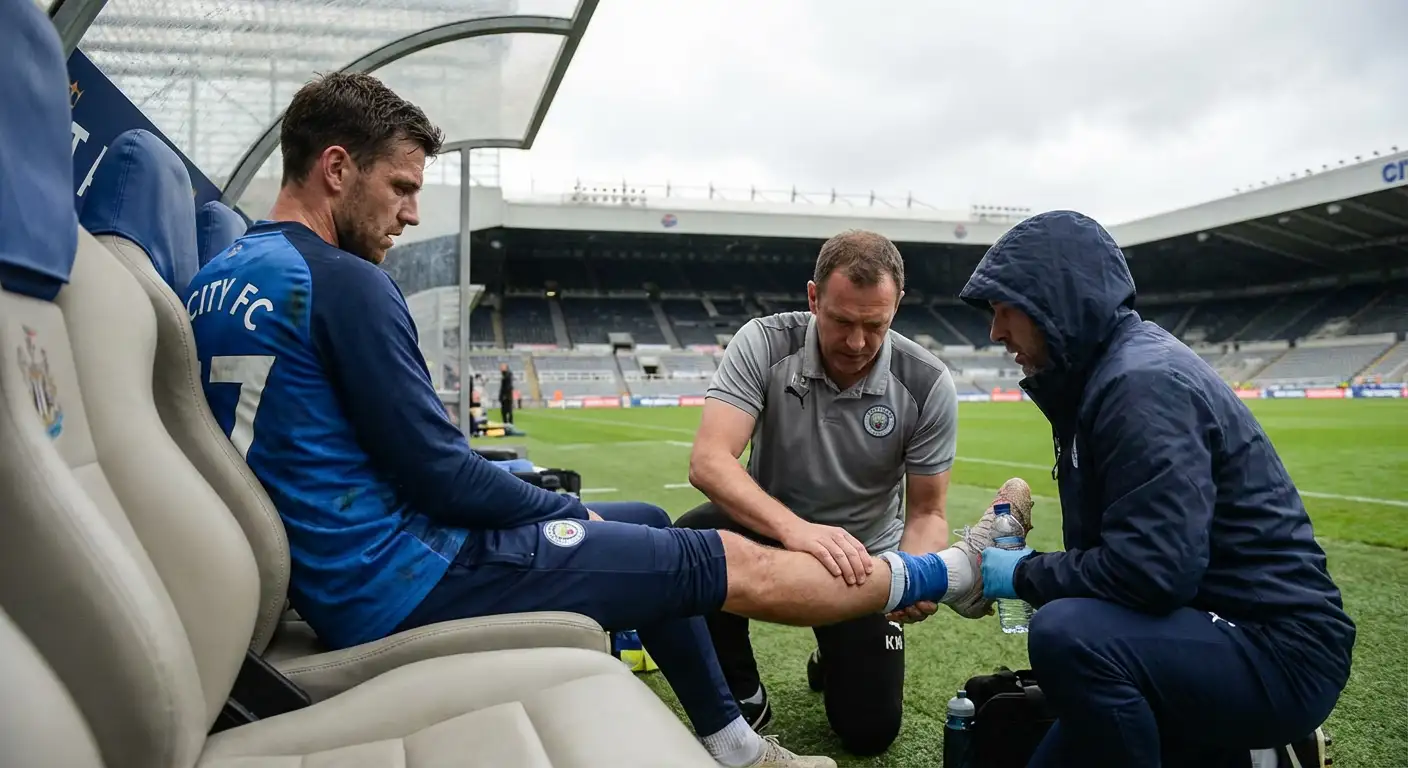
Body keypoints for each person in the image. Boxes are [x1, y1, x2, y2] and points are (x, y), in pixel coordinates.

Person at [185, 71, 1018, 768]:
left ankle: (731, 736)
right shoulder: (344, 282)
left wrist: (536, 494)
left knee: (650, 522)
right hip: (406, 574)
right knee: (707, 553)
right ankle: (954, 575)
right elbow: (437, 472)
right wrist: (555, 504)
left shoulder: (222, 273)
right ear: (336, 167)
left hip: (346, 569)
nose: (409, 213)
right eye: (402, 187)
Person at [960, 210, 1355, 768]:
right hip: (1212, 628)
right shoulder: (1102, 378)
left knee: (1067, 633)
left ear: (1056, 303)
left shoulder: (1139, 384)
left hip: (1277, 650)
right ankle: (1251, 755)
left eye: (1005, 310)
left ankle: (1255, 737)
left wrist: (1023, 573)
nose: (995, 332)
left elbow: (1153, 572)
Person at [679, 230, 991, 756]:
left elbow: (928, 511)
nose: (857, 342)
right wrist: (799, 533)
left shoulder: (927, 381)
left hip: (863, 560)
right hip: (771, 530)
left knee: (869, 733)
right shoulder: (764, 341)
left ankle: (835, 650)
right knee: (688, 542)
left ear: (897, 308)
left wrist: (910, 574)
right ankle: (743, 692)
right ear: (813, 298)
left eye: (875, 325)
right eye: (841, 321)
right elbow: (710, 460)